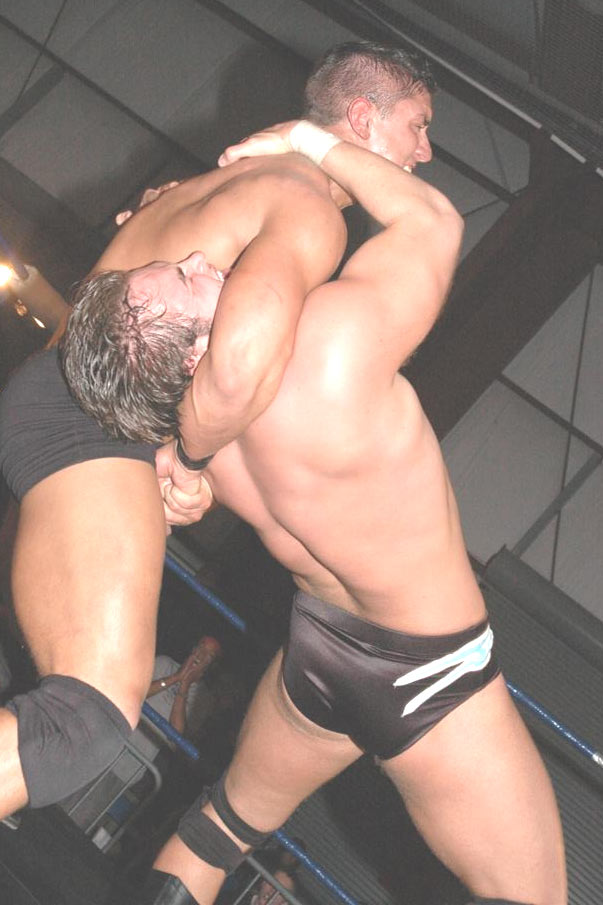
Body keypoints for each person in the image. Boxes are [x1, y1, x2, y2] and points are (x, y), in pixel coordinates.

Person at [66, 127, 565, 904]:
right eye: (189, 277)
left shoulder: (178, 441)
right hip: (429, 674)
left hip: (317, 659)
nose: (203, 259)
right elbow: (433, 222)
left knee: (217, 831)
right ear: (193, 354)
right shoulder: (329, 345)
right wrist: (310, 139)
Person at [0, 42, 433, 828]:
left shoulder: (237, 177)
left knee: (76, 713)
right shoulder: (306, 208)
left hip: (71, 398)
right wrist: (190, 457)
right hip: (90, 419)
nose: (425, 151)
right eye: (416, 125)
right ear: (362, 119)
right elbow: (234, 367)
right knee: (85, 716)